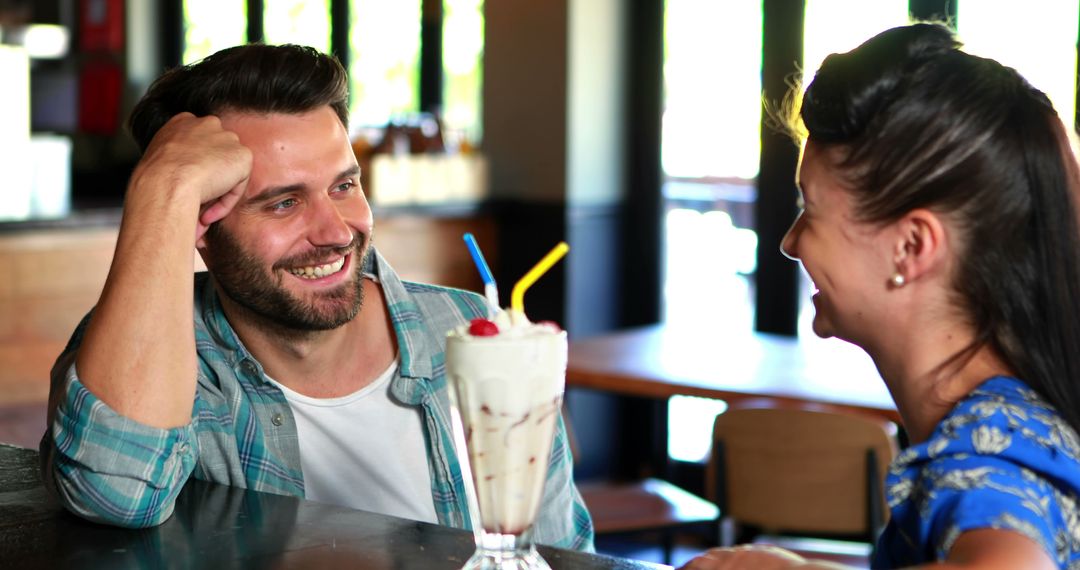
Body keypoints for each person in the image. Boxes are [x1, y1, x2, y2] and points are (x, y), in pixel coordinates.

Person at [39, 43, 594, 552]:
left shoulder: (472, 331)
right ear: (202, 225)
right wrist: (164, 189)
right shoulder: (147, 345)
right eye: (283, 203)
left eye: (344, 186)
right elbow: (114, 494)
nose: (335, 231)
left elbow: (563, 553)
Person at [681, 22, 1080, 570]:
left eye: (810, 211)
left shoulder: (985, 443)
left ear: (911, 247)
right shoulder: (1014, 413)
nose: (790, 242)